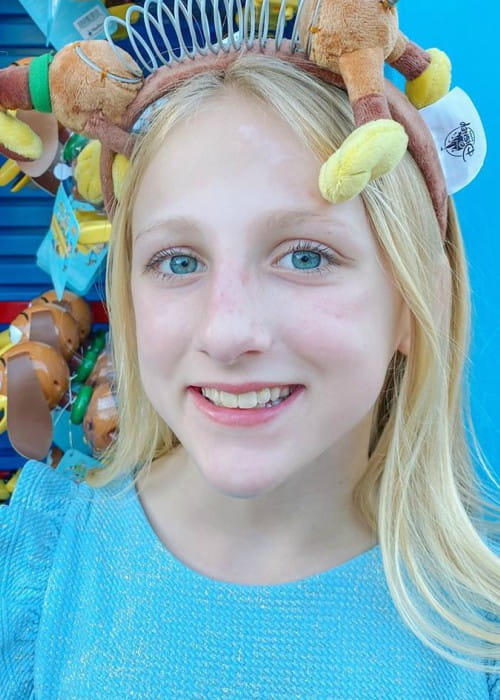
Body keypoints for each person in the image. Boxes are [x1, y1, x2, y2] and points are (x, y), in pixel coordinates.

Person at [1, 14, 500, 700]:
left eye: (306, 256)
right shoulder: (32, 574)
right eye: (179, 261)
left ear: (418, 304)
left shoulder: (479, 633)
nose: (228, 331)